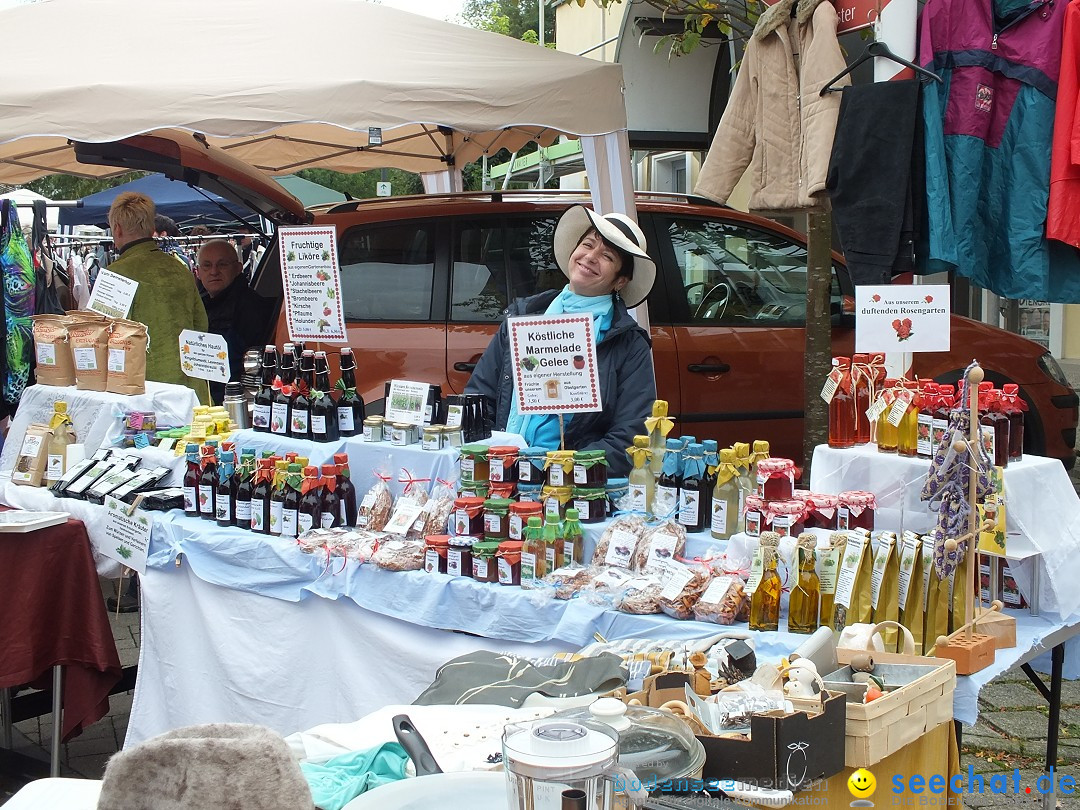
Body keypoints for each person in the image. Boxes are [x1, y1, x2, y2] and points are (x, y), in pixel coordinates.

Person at [465, 205, 656, 477]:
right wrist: (492, 456)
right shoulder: (522, 318)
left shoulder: (628, 343)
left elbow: (631, 435)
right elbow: (479, 398)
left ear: (620, 281)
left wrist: (566, 470)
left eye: (607, 256)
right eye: (587, 245)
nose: (590, 257)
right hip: (504, 473)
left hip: (573, 489)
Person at [107, 192, 209, 400]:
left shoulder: (114, 274)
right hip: (192, 390)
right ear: (151, 228)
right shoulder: (180, 268)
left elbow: (103, 339)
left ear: (117, 229)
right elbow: (201, 324)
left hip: (144, 391)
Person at [196, 238, 276, 403]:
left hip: (234, 400)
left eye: (222, 264)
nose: (214, 271)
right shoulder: (197, 305)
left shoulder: (251, 307)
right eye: (207, 265)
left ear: (238, 268)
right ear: (197, 271)